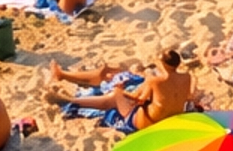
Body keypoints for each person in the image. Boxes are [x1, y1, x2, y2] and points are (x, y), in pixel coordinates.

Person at [61, 45, 192, 129]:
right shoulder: (187, 77)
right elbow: (185, 97)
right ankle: (75, 100)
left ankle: (73, 103)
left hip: (149, 123)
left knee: (115, 97)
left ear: (162, 64)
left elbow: (137, 99)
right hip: (171, 122)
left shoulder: (155, 80)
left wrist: (121, 90)